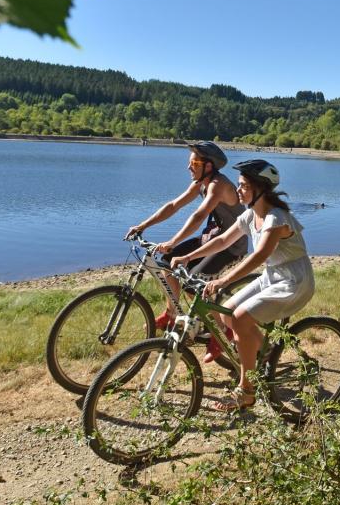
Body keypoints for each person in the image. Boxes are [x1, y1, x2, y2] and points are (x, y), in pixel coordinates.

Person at [171, 159, 315, 411]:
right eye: (239, 185)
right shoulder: (250, 214)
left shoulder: (276, 218)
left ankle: (247, 391)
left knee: (239, 317)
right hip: (273, 276)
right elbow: (224, 240)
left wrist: (224, 280)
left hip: (295, 281)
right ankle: (266, 352)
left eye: (244, 186)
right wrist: (188, 257)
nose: (238, 190)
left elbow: (259, 256)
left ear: (261, 189)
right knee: (226, 311)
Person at [126, 141, 246, 329]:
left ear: (208, 166)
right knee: (167, 262)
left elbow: (199, 216)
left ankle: (222, 331)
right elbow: (174, 205)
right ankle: (171, 314)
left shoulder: (218, 185)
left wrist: (173, 241)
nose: (188, 167)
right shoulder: (200, 184)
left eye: (194, 163)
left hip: (232, 245)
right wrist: (143, 225)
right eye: (190, 162)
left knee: (194, 285)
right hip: (213, 238)